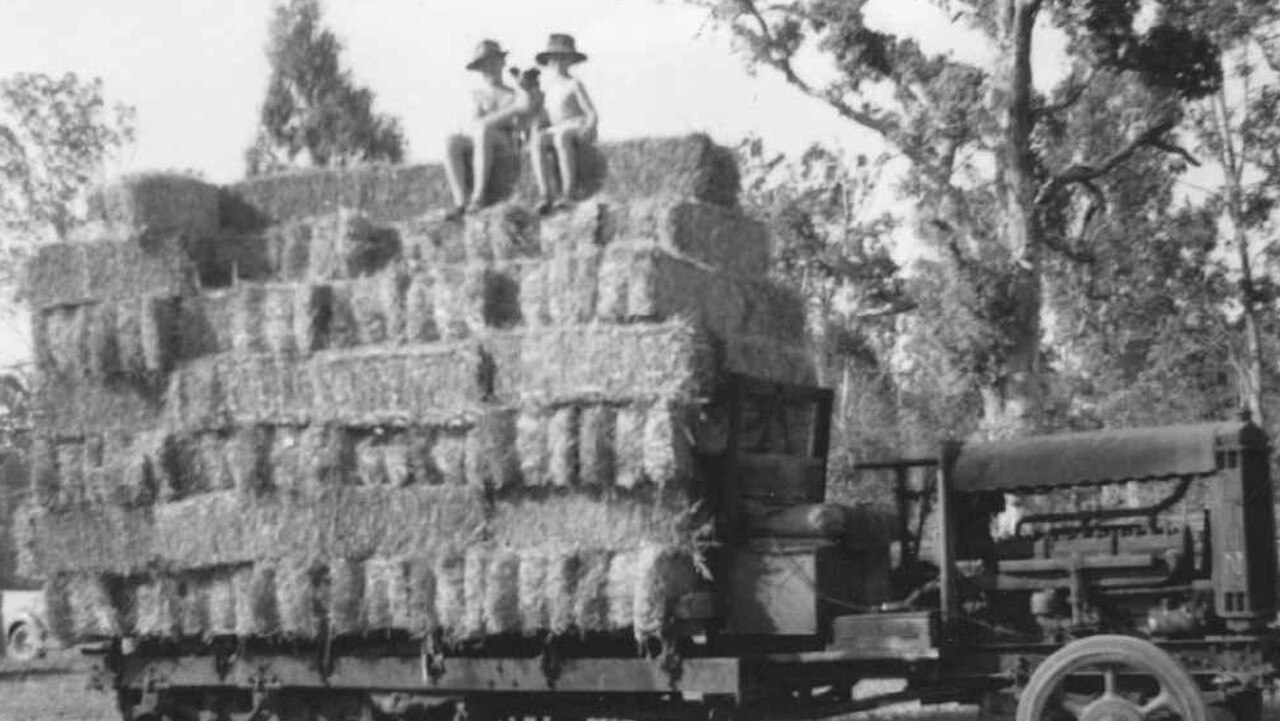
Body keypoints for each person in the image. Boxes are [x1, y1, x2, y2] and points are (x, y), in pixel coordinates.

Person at [443, 40, 530, 219]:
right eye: (484, 64)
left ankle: (478, 196)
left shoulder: (514, 93)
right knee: (452, 141)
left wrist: (505, 117)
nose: (489, 67)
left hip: (506, 142)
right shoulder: (478, 95)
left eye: (493, 61)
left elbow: (520, 125)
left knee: (485, 133)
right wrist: (513, 110)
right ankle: (461, 202)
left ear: (502, 63)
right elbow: (475, 124)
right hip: (482, 140)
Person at [529, 34, 598, 214]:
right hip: (557, 126)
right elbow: (547, 116)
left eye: (564, 58)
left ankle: (569, 192)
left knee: (561, 138)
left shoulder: (574, 84)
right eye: (555, 58)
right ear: (549, 62)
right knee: (537, 140)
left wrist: (589, 127)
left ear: (570, 61)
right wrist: (537, 124)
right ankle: (545, 193)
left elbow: (590, 112)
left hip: (576, 125)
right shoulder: (548, 88)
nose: (559, 62)